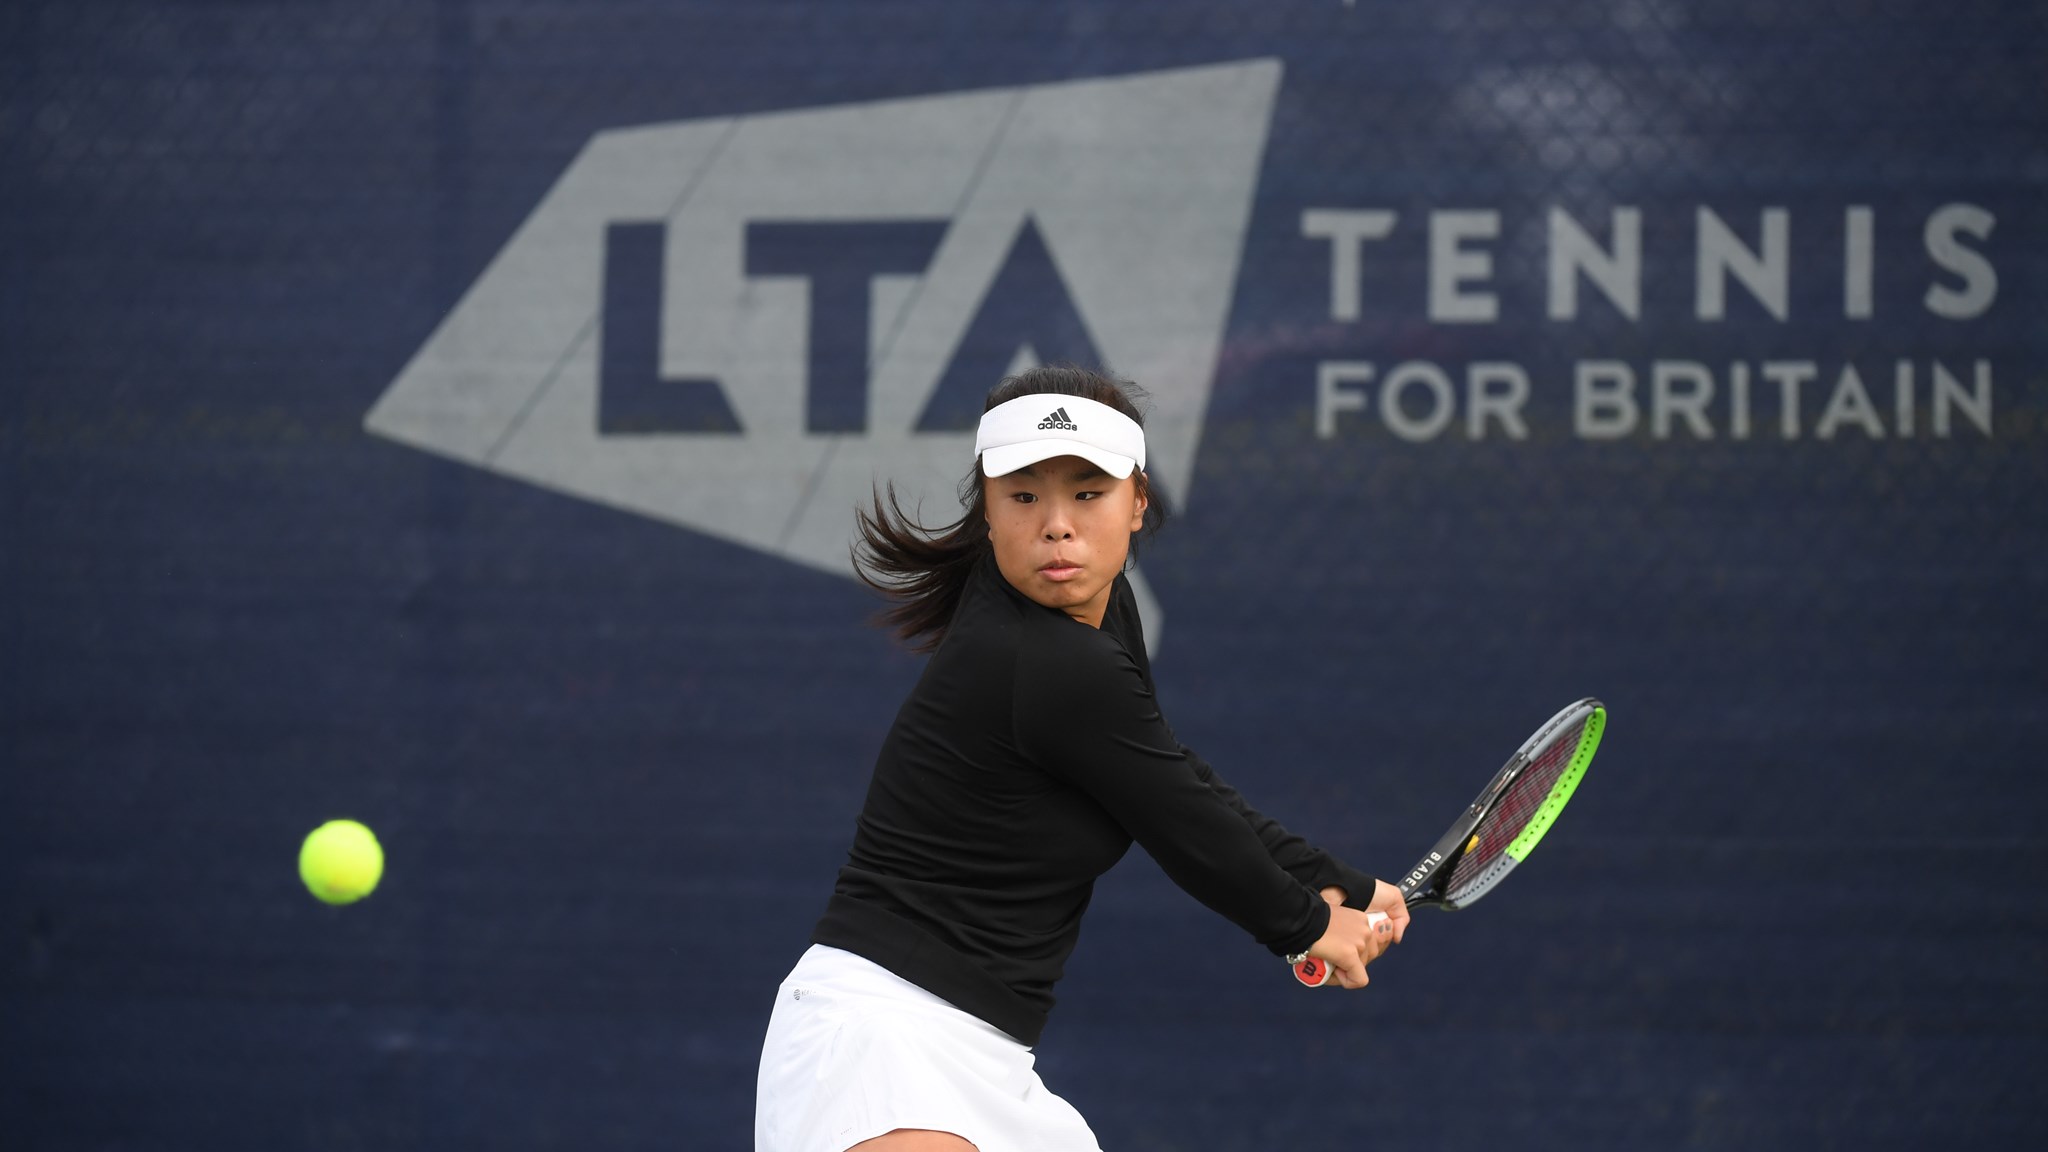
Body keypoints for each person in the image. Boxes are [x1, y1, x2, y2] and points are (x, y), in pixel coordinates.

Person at [754, 365, 1409, 1152]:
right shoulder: (1049, 662)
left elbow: (1166, 773)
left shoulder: (1099, 619)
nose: (1056, 525)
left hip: (985, 1057)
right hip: (880, 1044)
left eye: (1088, 492)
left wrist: (1335, 879)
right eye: (1023, 496)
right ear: (987, 514)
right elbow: (1180, 824)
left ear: (1137, 503)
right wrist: (1306, 925)